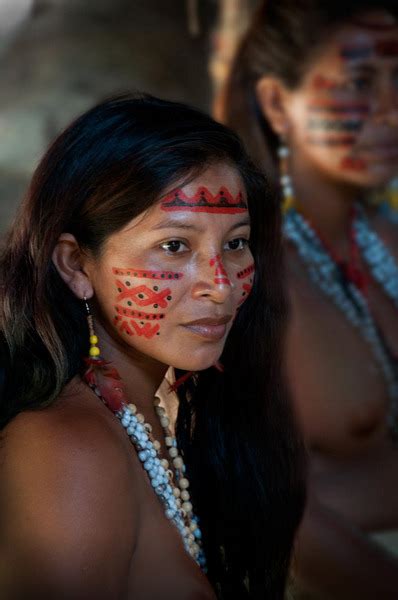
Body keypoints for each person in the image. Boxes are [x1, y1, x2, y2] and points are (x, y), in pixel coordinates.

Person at [0, 93, 305, 599]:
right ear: (76, 266)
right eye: (174, 246)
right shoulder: (68, 453)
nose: (221, 284)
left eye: (235, 243)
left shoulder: (162, 410)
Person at [219, 1, 398, 598]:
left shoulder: (383, 237)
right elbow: (263, 511)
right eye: (359, 84)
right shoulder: (242, 277)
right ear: (277, 104)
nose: (392, 111)